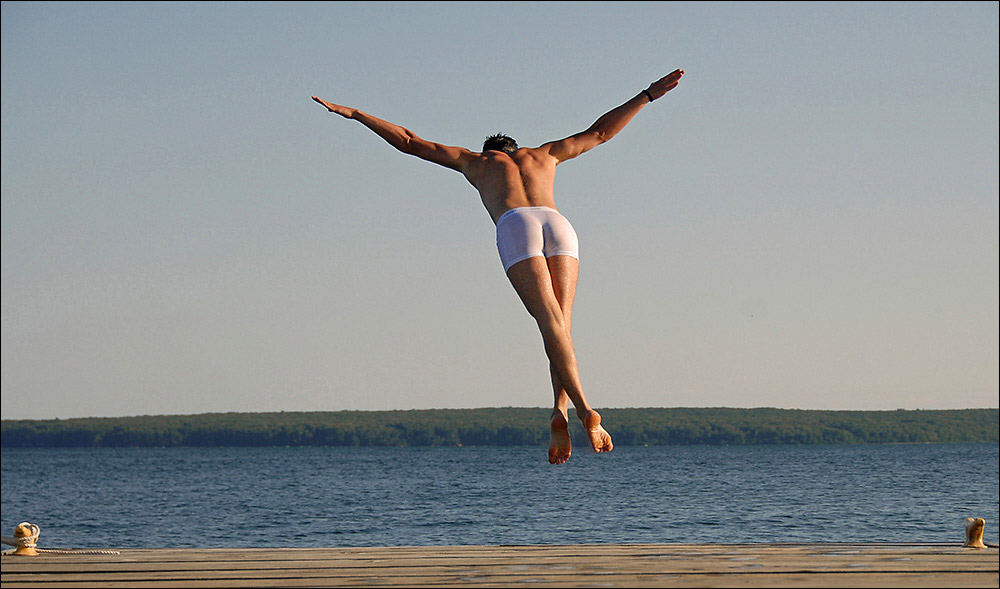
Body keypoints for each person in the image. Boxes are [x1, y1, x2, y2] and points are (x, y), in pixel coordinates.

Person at [312, 68, 684, 464]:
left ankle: (584, 409)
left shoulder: (477, 161)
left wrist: (356, 114)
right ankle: (558, 411)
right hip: (558, 223)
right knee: (562, 325)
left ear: (491, 150)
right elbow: (600, 133)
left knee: (548, 322)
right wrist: (646, 96)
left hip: (517, 224)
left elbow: (409, 142)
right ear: (517, 149)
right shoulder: (546, 154)